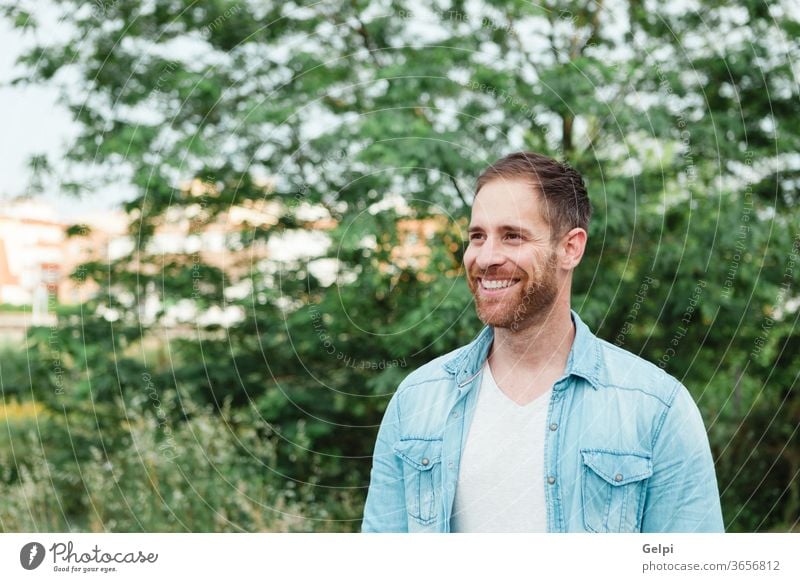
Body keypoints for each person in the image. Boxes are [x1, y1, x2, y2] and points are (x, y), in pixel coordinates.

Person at [361, 151, 724, 533]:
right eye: (477, 236)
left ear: (571, 248)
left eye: (512, 236)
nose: (486, 258)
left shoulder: (656, 409)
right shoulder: (417, 401)